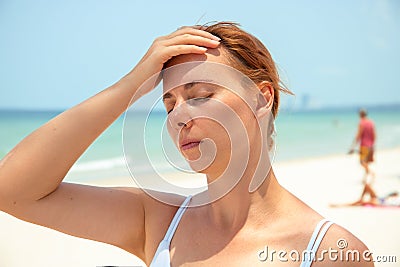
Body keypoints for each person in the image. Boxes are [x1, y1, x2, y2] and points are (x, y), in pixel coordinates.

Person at [0, 22, 372, 266]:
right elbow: (13, 190)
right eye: (168, 104)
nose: (178, 116)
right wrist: (130, 86)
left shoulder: (328, 252)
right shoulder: (158, 221)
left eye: (199, 95)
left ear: (262, 98)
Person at [348, 108, 376, 184]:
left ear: (360, 114)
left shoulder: (361, 123)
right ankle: (365, 179)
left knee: (362, 162)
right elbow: (374, 135)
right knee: (366, 162)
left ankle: (372, 173)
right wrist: (373, 144)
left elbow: (358, 135)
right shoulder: (371, 122)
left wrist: (352, 146)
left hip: (364, 145)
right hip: (371, 145)